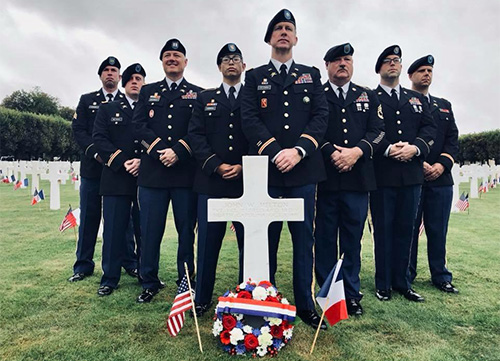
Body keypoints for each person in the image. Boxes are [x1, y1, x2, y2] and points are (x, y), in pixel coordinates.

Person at [241, 9, 329, 329]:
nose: (283, 32)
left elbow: (321, 117)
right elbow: (248, 119)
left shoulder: (311, 74)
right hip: (267, 172)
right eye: (277, 28)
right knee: (268, 239)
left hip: (303, 171)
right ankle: (268, 297)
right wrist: (277, 151)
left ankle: (304, 303)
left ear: (295, 38)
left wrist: (299, 151)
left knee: (304, 239)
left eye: (289, 28)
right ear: (269, 38)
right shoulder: (254, 77)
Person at [314, 43, 385, 316]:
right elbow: (311, 129)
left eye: (347, 59)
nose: (342, 64)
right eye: (336, 60)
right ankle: (329, 293)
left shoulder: (366, 96)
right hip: (326, 179)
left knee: (352, 238)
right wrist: (331, 151)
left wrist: (357, 152)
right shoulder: (316, 95)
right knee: (324, 237)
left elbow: (378, 132)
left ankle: (351, 293)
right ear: (327, 65)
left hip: (358, 179)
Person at [133, 39, 202, 303]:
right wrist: (161, 149)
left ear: (186, 62)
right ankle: (149, 281)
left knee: (187, 231)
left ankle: (185, 281)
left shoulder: (197, 94)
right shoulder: (148, 91)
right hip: (153, 175)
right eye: (167, 55)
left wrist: (179, 151)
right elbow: (138, 126)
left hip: (184, 175)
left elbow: (197, 130)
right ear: (161, 61)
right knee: (150, 230)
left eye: (177, 55)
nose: (172, 59)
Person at [370, 45, 436, 302]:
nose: (393, 64)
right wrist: (386, 149)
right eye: (387, 61)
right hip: (383, 176)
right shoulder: (370, 97)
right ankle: (383, 283)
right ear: (379, 69)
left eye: (397, 60)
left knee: (406, 230)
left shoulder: (416, 99)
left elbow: (429, 130)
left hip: (411, 176)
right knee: (384, 229)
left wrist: (415, 148)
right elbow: (367, 129)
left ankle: (403, 282)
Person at [188, 43, 248, 316]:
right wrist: (217, 165)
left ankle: (248, 293)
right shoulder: (204, 98)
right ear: (220, 67)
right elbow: (196, 136)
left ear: (243, 66)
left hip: (246, 183)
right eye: (226, 59)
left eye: (236, 59)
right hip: (212, 181)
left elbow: (260, 133)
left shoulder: (252, 96)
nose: (231, 63)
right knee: (208, 243)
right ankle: (201, 298)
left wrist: (244, 166)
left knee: (249, 242)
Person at [70, 57, 139, 282]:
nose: (110, 74)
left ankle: (129, 262)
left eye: (114, 70)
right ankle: (83, 265)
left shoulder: (128, 100)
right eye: (106, 70)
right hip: (93, 168)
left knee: (123, 221)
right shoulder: (88, 100)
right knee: (89, 217)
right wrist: (96, 153)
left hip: (120, 171)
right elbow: (79, 131)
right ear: (100, 75)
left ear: (120, 77)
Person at [92, 63, 146, 296]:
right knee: (113, 230)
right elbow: (99, 139)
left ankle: (145, 273)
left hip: (146, 178)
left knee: (145, 230)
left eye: (140, 78)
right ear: (124, 83)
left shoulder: (150, 109)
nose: (135, 82)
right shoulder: (108, 109)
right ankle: (109, 278)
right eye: (131, 78)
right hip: (116, 177)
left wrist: (142, 161)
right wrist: (123, 160)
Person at [407, 55, 459, 293]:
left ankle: (441, 275)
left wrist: (441, 165)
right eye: (421, 71)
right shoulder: (403, 103)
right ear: (411, 76)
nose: (426, 74)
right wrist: (421, 164)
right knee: (409, 230)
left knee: (438, 230)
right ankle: (406, 274)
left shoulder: (444, 105)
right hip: (412, 176)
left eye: (429, 70)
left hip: (441, 179)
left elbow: (452, 141)